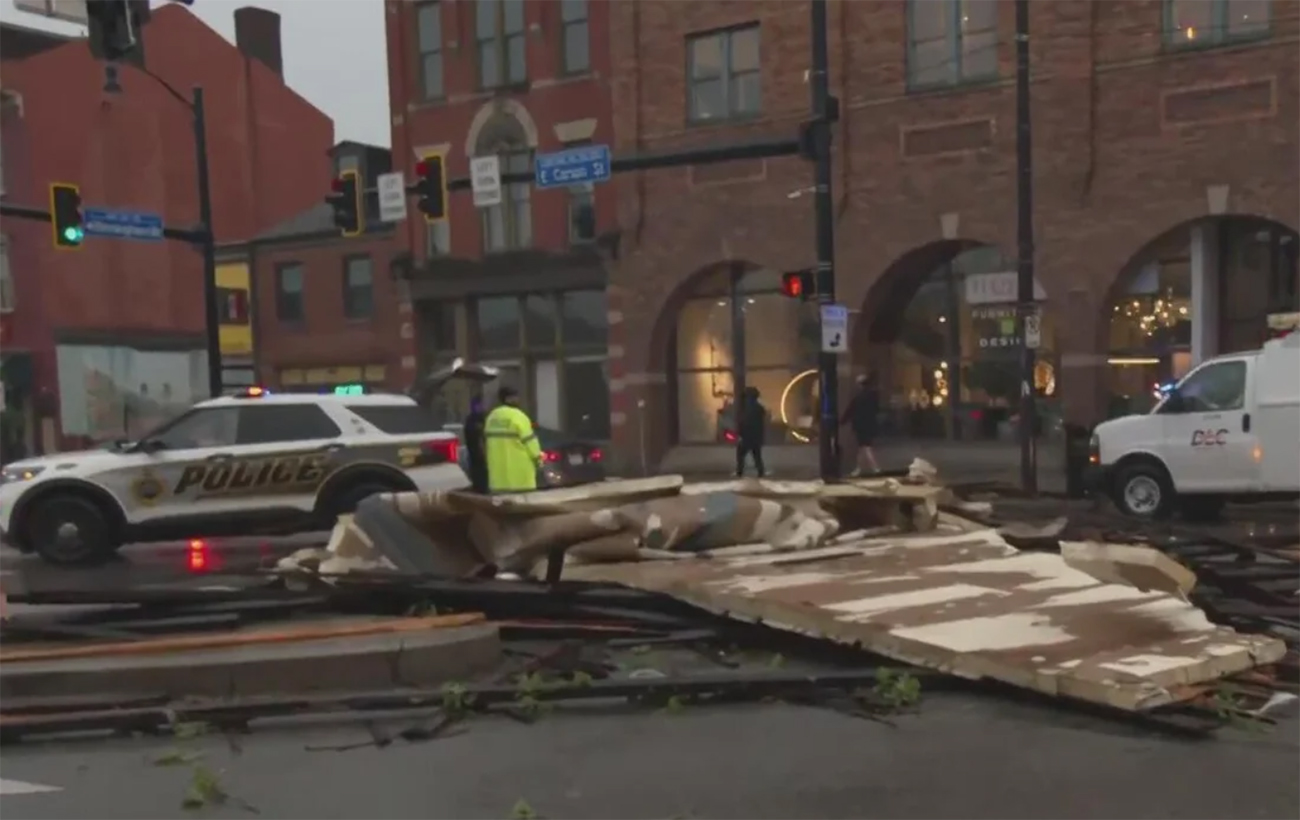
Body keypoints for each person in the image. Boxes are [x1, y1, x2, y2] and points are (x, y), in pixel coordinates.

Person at [483, 385, 543, 493]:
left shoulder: (491, 417)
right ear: (508, 399)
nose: (518, 400)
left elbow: (486, 444)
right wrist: (539, 460)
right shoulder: (518, 416)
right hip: (520, 479)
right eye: (516, 397)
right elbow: (530, 442)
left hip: (498, 480)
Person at [841, 372, 881, 476]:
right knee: (862, 448)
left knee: (865, 447)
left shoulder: (858, 397)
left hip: (860, 425)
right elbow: (876, 410)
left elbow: (850, 410)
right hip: (870, 424)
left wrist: (842, 422)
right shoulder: (873, 396)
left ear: (860, 384)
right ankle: (858, 469)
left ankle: (875, 468)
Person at [735, 386, 767, 478]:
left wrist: (740, 433)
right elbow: (762, 422)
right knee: (757, 456)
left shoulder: (745, 408)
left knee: (741, 455)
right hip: (756, 437)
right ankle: (761, 472)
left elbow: (743, 422)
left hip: (747, 437)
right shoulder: (759, 408)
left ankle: (739, 472)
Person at [462, 395, 489, 494]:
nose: (481, 407)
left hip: (480, 454)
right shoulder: (473, 420)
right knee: (478, 473)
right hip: (475, 454)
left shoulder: (484, 418)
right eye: (478, 406)